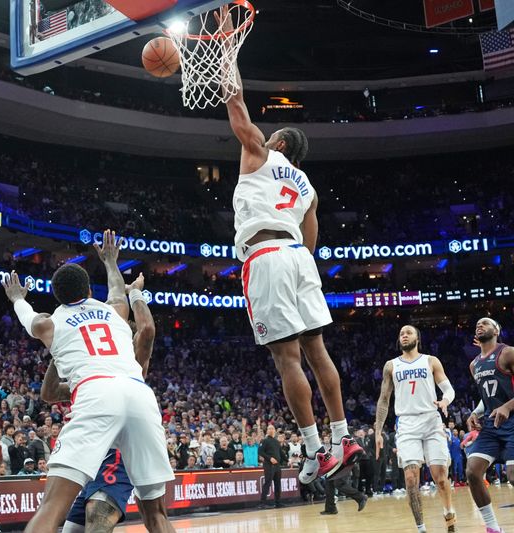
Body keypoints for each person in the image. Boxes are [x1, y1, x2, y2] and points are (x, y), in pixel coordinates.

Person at [219, 6, 362, 485]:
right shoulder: (308, 189)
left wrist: (225, 49)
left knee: (287, 358)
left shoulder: (258, 151)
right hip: (300, 259)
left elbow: (235, 103)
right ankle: (343, 436)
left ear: (277, 142)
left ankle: (315, 448)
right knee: (317, 349)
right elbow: (311, 243)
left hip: (266, 257)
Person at [2, 229, 174, 533]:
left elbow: (27, 316)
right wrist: (110, 262)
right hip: (139, 393)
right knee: (157, 516)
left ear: (56, 297)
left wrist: (16, 298)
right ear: (90, 292)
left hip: (96, 393)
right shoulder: (114, 312)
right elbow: (118, 290)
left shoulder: (49, 323)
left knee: (52, 507)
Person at [47, 270, 156, 533]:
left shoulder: (133, 363)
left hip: (115, 455)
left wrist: (135, 293)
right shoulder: (88, 369)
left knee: (97, 526)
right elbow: (49, 393)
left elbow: (147, 330)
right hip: (88, 457)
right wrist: (60, 348)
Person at [374, 325, 457, 533]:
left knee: (440, 477)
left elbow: (448, 388)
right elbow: (383, 400)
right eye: (401, 333)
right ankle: (421, 528)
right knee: (410, 479)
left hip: (430, 420)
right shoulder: (391, 366)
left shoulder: (430, 361)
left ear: (417, 338)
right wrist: (378, 431)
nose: (404, 335)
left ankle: (449, 514)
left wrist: (445, 400)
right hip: (407, 424)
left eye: (408, 333)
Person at [465, 318, 514, 533]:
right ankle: (493, 528)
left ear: (497, 330)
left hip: (512, 422)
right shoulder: (474, 364)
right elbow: (487, 398)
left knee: (513, 475)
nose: (480, 325)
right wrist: (475, 413)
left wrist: (507, 407)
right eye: (477, 324)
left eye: (485, 323)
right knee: (473, 472)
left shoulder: (508, 353)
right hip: (492, 425)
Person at [259, 426, 283, 509]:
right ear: (267, 431)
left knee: (278, 484)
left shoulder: (277, 442)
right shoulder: (265, 441)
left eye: (272, 428)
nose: (271, 430)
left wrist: (289, 460)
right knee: (267, 483)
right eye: (269, 428)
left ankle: (278, 503)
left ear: (275, 431)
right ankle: (262, 503)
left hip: (277, 466)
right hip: (269, 465)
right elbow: (260, 451)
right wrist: (269, 458)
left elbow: (281, 453)